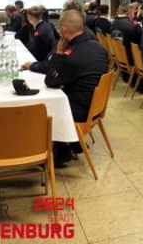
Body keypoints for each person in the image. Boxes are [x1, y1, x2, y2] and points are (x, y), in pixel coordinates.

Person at [44, 10, 109, 167]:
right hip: (96, 106)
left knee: (45, 108)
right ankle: (75, 143)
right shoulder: (98, 47)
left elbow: (50, 80)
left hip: (81, 109)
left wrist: (58, 53)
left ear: (64, 30)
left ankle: (62, 152)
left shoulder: (71, 55)